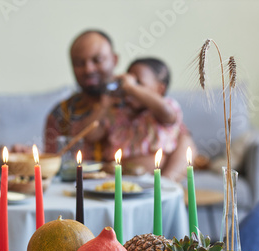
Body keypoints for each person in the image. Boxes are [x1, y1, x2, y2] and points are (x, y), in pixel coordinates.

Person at [44, 30, 195, 181]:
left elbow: (183, 140)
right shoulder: (62, 113)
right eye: (79, 63)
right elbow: (50, 163)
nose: (88, 69)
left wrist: (166, 183)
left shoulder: (138, 103)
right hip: (91, 188)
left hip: (148, 187)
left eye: (97, 60)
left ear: (114, 60)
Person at [105, 57, 184, 173]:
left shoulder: (164, 107)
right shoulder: (121, 111)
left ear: (160, 89)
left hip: (152, 178)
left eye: (138, 83)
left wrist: (132, 87)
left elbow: (168, 114)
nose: (129, 89)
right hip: (119, 175)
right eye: (128, 83)